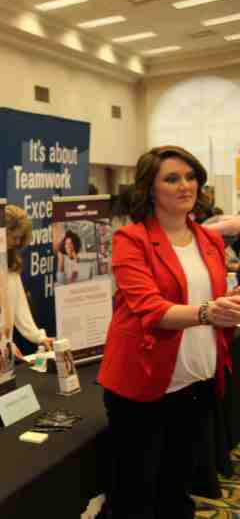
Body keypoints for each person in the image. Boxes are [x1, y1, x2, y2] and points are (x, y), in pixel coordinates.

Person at [98, 146, 240, 519]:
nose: (185, 185)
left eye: (191, 177)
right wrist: (210, 312)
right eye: (172, 178)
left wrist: (231, 302)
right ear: (150, 188)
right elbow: (151, 309)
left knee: (177, 490)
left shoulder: (208, 239)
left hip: (197, 380)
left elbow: (213, 296)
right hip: (143, 382)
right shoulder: (131, 239)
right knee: (135, 494)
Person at [4, 205, 53, 356]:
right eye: (14, 237)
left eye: (20, 238)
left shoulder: (10, 262)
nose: (18, 243)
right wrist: (4, 344)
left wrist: (39, 337)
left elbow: (19, 306)